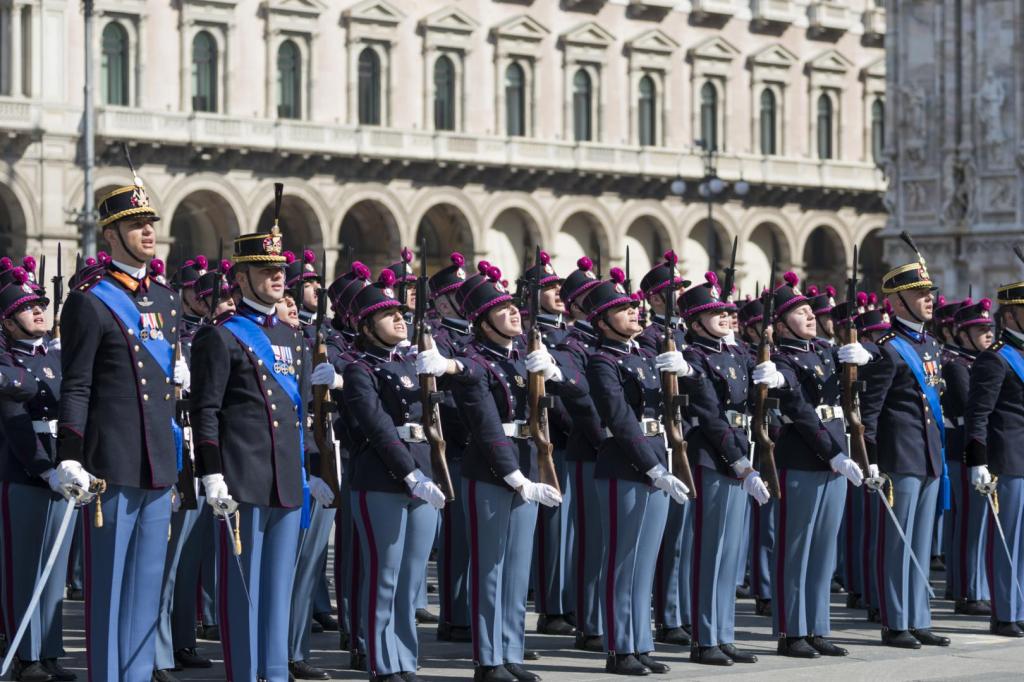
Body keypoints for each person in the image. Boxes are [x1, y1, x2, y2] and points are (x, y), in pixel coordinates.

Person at [56, 170, 186, 681]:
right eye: (135, 224)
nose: (148, 232)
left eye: (150, 222)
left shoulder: (169, 300)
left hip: (157, 463)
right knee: (109, 591)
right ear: (110, 235)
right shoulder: (89, 302)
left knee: (147, 591)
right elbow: (78, 384)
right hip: (109, 464)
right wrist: (70, 452)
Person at [189, 214, 325, 681]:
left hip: (287, 478)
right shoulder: (220, 334)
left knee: (278, 591)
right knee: (242, 591)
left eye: (281, 269)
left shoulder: (293, 337)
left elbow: (300, 412)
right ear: (241, 277)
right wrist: (211, 472)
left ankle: (275, 671)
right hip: (241, 478)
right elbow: (206, 409)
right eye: (266, 270)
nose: (278, 276)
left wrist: (314, 470)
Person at [441, 264, 570, 682]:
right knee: (490, 569)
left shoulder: (526, 359)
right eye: (502, 308)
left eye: (515, 306)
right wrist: (514, 474)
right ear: (481, 320)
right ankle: (488, 658)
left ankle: (512, 649)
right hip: (493, 472)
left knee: (517, 571)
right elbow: (486, 425)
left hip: (529, 465)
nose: (515, 313)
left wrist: (554, 373)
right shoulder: (474, 362)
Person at [339, 269, 448, 682]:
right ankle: (380, 661)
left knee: (410, 578)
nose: (400, 320)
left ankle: (405, 658)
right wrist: (409, 474)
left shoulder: (411, 364)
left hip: (422, 474)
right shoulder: (358, 370)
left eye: (401, 314)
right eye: (389, 315)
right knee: (383, 576)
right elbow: (377, 427)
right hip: (381, 478)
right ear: (367, 326)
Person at [584, 267, 688, 676]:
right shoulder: (600, 361)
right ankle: (619, 648)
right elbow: (620, 419)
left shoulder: (645, 355)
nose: (634, 313)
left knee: (645, 563)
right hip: (626, 466)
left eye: (633, 307)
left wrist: (684, 372)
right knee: (623, 562)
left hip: (657, 459)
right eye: (623, 309)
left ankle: (639, 643)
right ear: (603, 319)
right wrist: (652, 466)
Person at [767, 273, 867, 658]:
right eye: (800, 311)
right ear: (779, 324)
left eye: (811, 310)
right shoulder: (781, 360)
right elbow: (802, 413)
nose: (810, 316)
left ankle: (817, 626)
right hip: (804, 460)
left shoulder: (825, 351)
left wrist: (863, 362)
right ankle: (792, 631)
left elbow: (853, 399)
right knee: (797, 549)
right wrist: (836, 454)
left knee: (824, 549)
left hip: (834, 461)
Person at [679, 272, 774, 666]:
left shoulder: (734, 354)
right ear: (695, 321)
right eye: (714, 313)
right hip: (714, 458)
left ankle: (724, 633)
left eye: (725, 312)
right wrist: (740, 465)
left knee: (731, 553)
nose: (725, 317)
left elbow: (750, 406)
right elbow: (711, 417)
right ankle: (704, 637)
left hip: (740, 454)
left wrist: (770, 376)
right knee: (711, 552)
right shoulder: (693, 357)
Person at [860, 253, 950, 649]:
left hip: (928, 454)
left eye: (929, 292)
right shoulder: (887, 349)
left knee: (921, 541)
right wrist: (872, 459)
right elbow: (871, 412)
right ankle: (896, 621)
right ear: (897, 302)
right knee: (897, 542)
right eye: (919, 293)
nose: (929, 299)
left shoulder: (930, 343)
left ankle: (919, 617)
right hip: (899, 456)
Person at [0, 266, 77, 682]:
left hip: (62, 469)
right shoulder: (4, 359)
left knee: (54, 573)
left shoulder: (58, 356)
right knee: (23, 570)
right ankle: (23, 655)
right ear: (8, 321)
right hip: (24, 471)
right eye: (26, 307)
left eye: (40, 305)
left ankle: (49, 652)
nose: (38, 312)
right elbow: (13, 422)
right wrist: (44, 469)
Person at [636, 252, 693, 648]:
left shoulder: (688, 334)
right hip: (666, 440)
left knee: (685, 537)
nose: (679, 296)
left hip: (690, 436)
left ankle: (681, 611)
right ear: (656, 300)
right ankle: (667, 615)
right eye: (672, 292)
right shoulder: (647, 339)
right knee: (668, 537)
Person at [964, 279, 1024, 637]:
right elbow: (978, 414)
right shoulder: (995, 357)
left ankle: (1019, 604)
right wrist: (978, 461)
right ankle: (1004, 614)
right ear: (1012, 314)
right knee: (1007, 541)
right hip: (1006, 460)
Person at [426, 252, 474, 643]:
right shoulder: (439, 341)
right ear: (443, 303)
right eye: (459, 295)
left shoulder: (472, 337)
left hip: (480, 445)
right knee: (457, 538)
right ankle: (455, 616)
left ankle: (471, 611)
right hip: (456, 445)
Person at [943, 298, 994, 618]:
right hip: (962, 448)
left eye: (989, 327)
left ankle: (972, 586)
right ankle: (968, 590)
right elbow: (966, 404)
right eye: (979, 329)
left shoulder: (983, 362)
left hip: (979, 448)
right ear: (963, 334)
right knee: (970, 524)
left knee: (979, 522)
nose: (987, 333)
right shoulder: (956, 364)